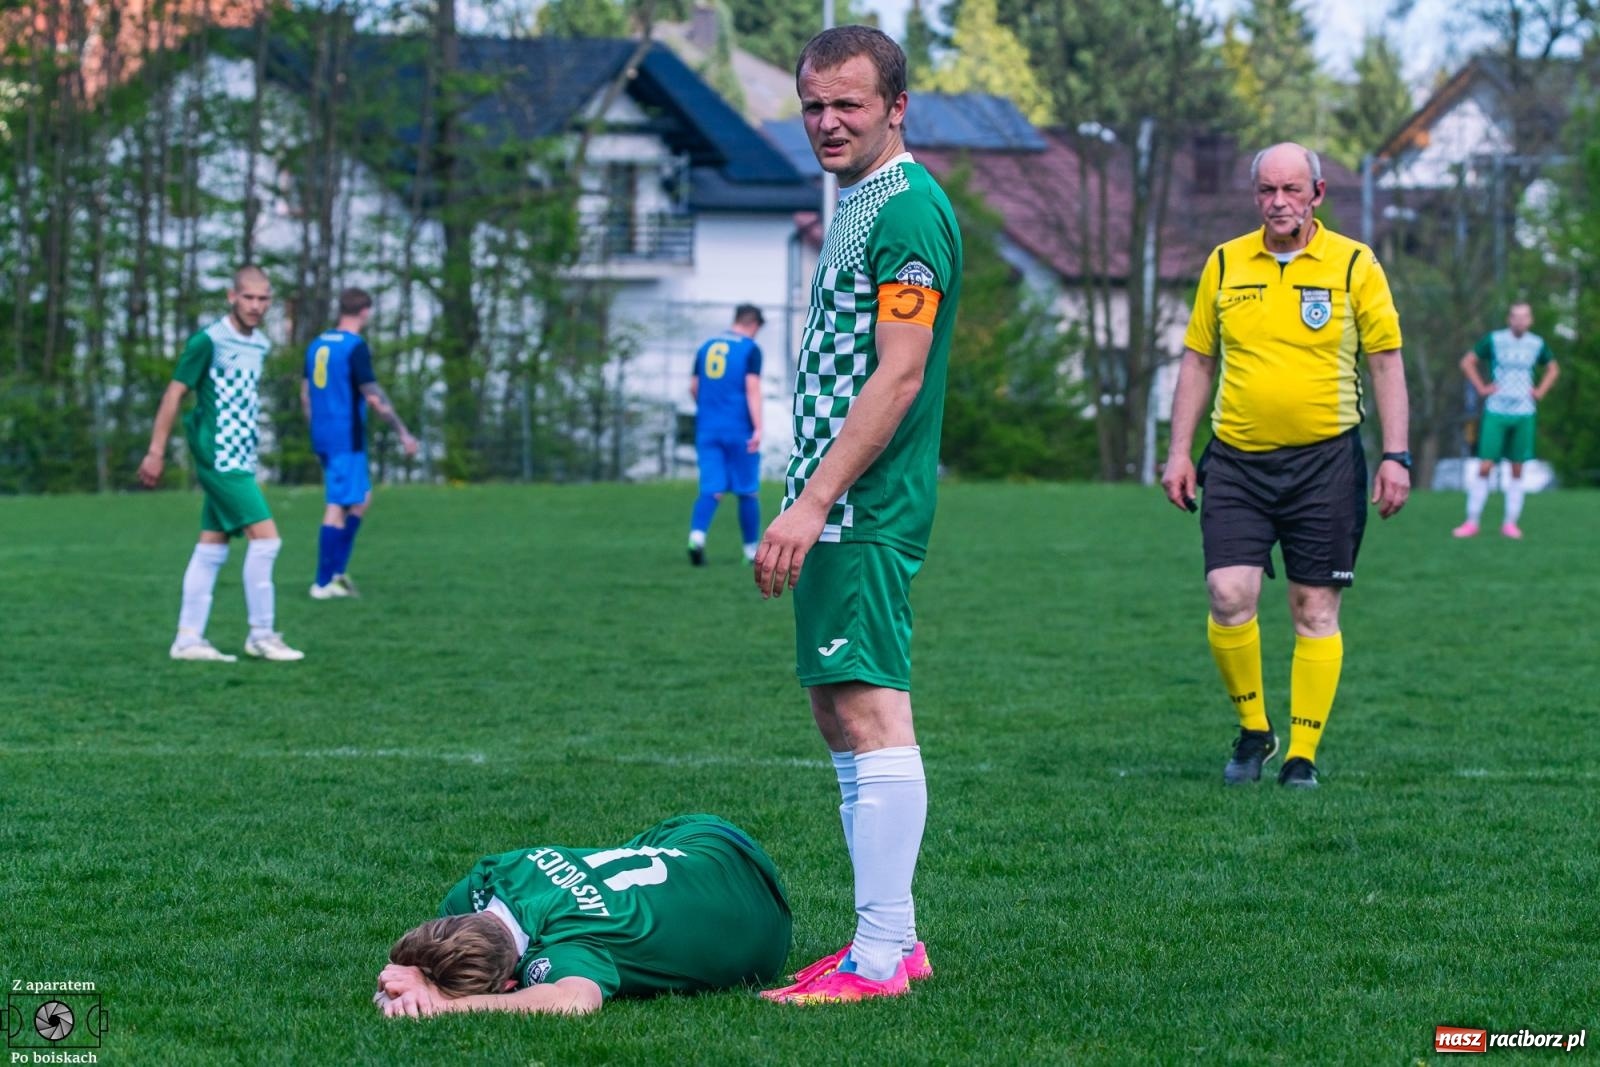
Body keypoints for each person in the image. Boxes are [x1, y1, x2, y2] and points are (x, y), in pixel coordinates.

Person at [752, 25, 961, 1004]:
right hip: (835, 497)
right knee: (839, 706)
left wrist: (816, 498)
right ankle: (893, 940)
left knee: (869, 706)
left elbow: (901, 370)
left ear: (895, 107)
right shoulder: (862, 200)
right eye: (814, 105)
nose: (827, 122)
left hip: (864, 501)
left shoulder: (909, 210)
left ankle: (878, 958)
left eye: (848, 103)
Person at [1161, 143, 1411, 790]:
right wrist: (1177, 450)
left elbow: (1385, 361)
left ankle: (1302, 753)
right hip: (1237, 462)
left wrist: (1396, 455)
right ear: (1255, 197)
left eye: (1292, 190)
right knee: (1228, 593)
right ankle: (1254, 730)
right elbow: (1197, 359)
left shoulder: (1356, 264)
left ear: (1318, 194)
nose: (1279, 202)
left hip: (1326, 462)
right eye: (1268, 190)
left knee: (1313, 607)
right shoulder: (1224, 262)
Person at [372, 814, 792, 1017]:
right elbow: (427, 954)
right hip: (711, 837)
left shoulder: (567, 950)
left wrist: (445, 1006)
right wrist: (407, 980)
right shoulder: (482, 881)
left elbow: (575, 1001)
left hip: (767, 938)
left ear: (508, 984)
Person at [138, 265, 304, 663]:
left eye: (264, 298)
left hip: (241, 455)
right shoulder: (208, 341)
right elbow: (174, 394)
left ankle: (188, 639)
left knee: (212, 546)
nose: (256, 305)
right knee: (267, 541)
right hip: (219, 456)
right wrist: (156, 451)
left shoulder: (260, 345)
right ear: (232, 297)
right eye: (248, 297)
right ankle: (262, 635)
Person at [301, 287, 419, 598]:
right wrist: (402, 432)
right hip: (345, 434)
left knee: (361, 498)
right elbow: (374, 397)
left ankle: (337, 572)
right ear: (365, 312)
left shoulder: (316, 345)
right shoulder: (354, 347)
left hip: (325, 432)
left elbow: (305, 394)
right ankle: (323, 581)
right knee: (337, 504)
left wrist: (315, 428)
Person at [1452, 302, 1560, 540]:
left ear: (1530, 320)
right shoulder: (1495, 340)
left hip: (1524, 412)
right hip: (1496, 410)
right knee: (1485, 466)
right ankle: (1472, 521)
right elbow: (1467, 362)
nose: (1519, 321)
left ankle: (1510, 523)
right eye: (1515, 317)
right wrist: (1481, 387)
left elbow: (1553, 369)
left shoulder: (1536, 344)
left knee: (1517, 468)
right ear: (1509, 319)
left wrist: (1540, 391)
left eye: (1524, 317)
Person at [687, 304, 765, 566]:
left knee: (712, 488)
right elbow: (752, 388)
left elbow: (694, 387)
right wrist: (758, 427)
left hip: (707, 427)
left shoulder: (706, 346)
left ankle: (697, 538)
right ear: (753, 324)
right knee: (747, 490)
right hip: (739, 428)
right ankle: (750, 551)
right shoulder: (750, 349)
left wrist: (710, 410)